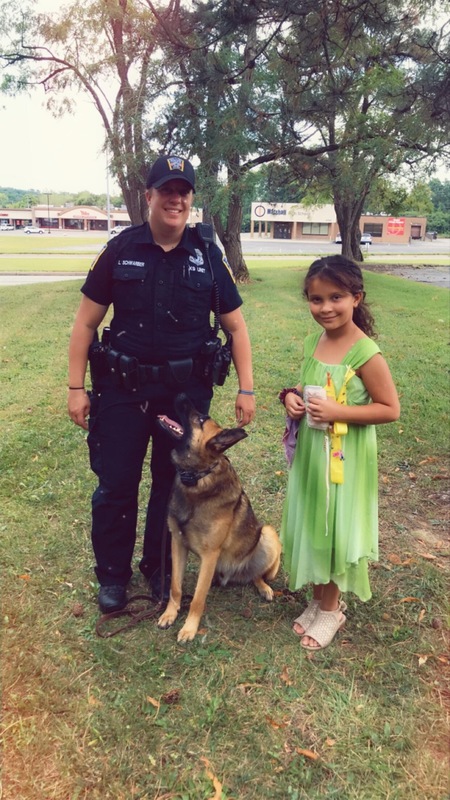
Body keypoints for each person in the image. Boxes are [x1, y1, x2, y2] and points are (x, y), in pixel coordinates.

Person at [68, 154, 255, 614]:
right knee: (115, 484)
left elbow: (236, 328)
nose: (175, 199)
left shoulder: (208, 255)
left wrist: (246, 388)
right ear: (148, 196)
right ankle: (112, 576)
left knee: (171, 483)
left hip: (185, 395)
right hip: (122, 389)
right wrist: (76, 387)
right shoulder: (121, 249)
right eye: (166, 190)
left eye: (183, 192)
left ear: (191, 200)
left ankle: (158, 569)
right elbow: (85, 324)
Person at [279, 255, 400, 651]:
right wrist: (292, 399)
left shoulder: (366, 352)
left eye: (336, 297)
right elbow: (307, 386)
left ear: (356, 298)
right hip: (314, 454)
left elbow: (389, 409)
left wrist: (338, 412)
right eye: (316, 299)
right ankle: (318, 599)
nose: (325, 308)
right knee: (316, 521)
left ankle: (331, 608)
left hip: (344, 462)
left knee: (334, 527)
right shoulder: (314, 341)